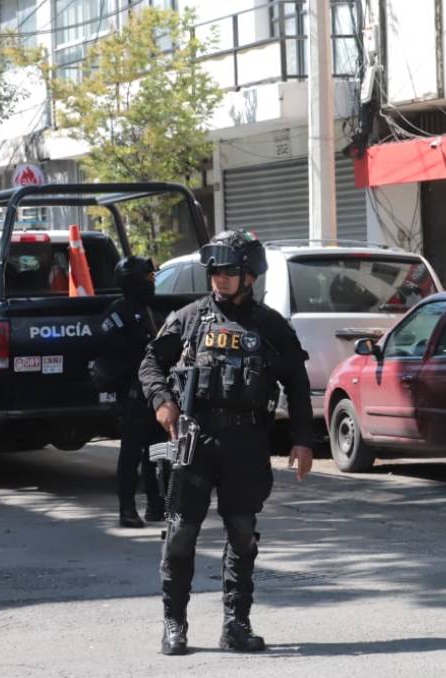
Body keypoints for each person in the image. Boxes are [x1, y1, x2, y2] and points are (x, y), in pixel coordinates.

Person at [139, 230, 317, 655]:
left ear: (250, 276)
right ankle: (174, 624)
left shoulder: (271, 326)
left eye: (229, 271)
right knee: (181, 533)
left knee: (242, 534)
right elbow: (150, 363)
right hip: (196, 441)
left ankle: (236, 625)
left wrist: (303, 441)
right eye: (215, 271)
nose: (219, 278)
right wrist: (162, 401)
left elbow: (296, 382)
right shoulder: (189, 318)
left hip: (247, 443)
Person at [96, 256, 165, 528]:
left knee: (158, 450)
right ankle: (127, 509)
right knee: (132, 452)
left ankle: (156, 503)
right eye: (148, 278)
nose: (152, 283)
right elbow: (111, 353)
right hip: (131, 393)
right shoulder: (118, 314)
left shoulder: (150, 311)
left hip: (153, 392)